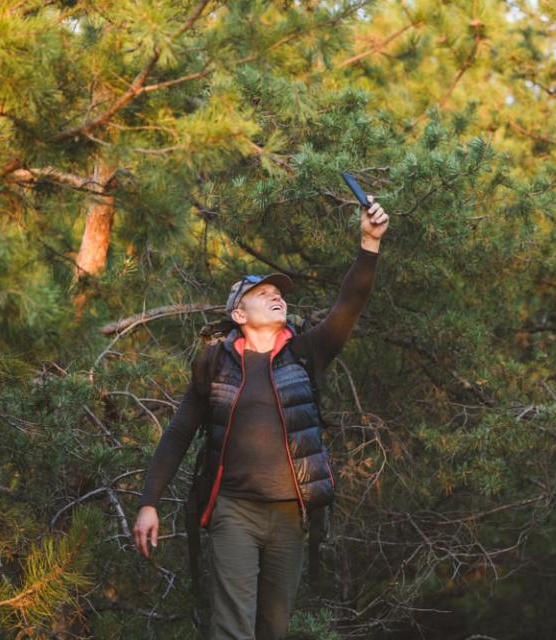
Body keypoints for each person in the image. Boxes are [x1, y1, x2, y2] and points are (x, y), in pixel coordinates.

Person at [133, 195, 389, 640]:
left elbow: (351, 302)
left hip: (291, 514)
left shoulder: (306, 352)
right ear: (238, 314)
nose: (276, 298)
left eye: (278, 294)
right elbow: (177, 434)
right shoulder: (214, 364)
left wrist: (369, 243)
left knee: (274, 628)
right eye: (262, 295)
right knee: (232, 628)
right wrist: (149, 501)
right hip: (234, 510)